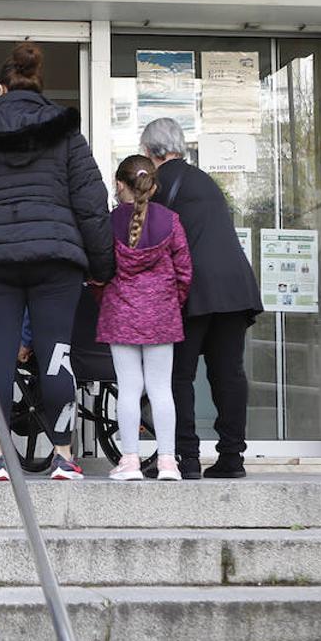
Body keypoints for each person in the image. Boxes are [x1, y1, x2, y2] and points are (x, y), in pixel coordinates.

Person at [0, 41, 114, 482]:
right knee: (57, 353)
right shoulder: (68, 136)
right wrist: (101, 264)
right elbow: (92, 204)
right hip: (55, 258)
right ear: (39, 87)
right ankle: (62, 455)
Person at [138, 117, 263, 480]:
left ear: (149, 151)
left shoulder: (161, 184)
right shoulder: (204, 179)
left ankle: (185, 457)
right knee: (228, 374)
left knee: (178, 376)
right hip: (236, 287)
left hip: (193, 289)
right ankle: (232, 458)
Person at [96, 156, 194, 482]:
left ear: (119, 185)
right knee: (160, 388)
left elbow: (99, 272)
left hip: (120, 314)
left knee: (128, 387)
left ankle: (130, 461)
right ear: (152, 186)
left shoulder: (109, 223)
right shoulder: (171, 220)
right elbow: (185, 272)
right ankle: (168, 462)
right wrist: (169, 303)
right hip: (162, 315)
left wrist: (106, 300)